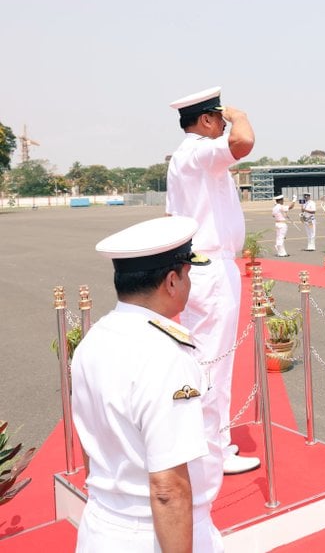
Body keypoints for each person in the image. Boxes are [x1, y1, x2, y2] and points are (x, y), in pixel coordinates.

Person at [73, 216, 225, 552]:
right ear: (172, 281)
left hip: (101, 523)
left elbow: (91, 442)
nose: (188, 284)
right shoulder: (165, 354)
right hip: (153, 535)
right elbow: (168, 488)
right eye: (188, 275)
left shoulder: (94, 339)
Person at [166, 86, 259, 475]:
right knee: (214, 361)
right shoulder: (199, 152)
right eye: (218, 118)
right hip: (211, 267)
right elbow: (244, 141)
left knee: (206, 357)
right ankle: (212, 451)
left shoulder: (189, 156)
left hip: (203, 265)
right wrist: (239, 115)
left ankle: (207, 442)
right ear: (206, 120)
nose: (223, 125)